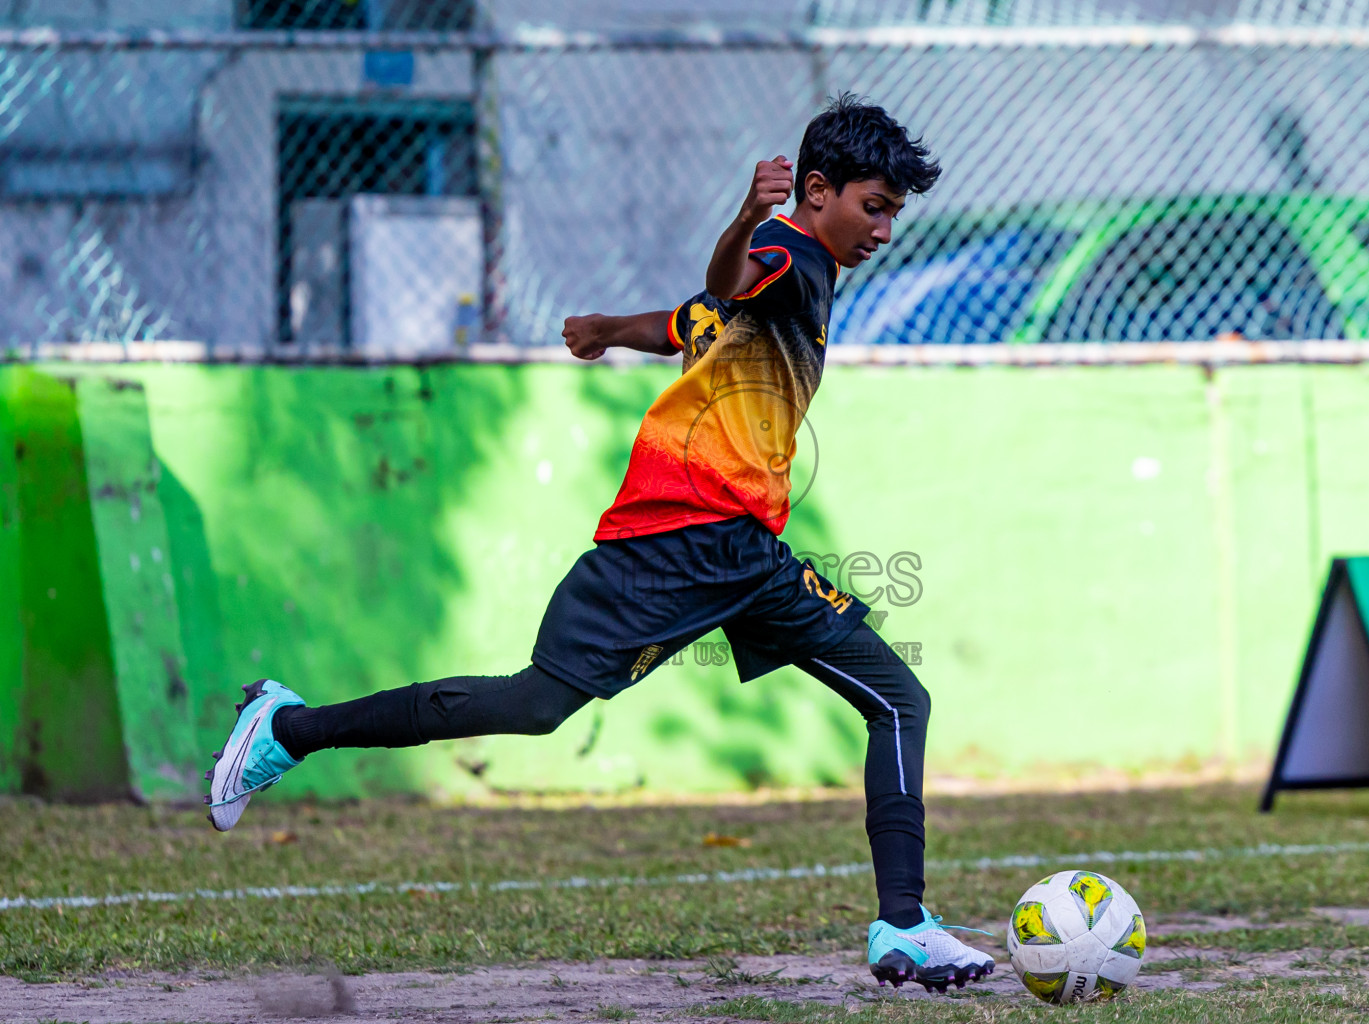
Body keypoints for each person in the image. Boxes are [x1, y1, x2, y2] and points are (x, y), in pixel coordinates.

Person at [205, 95, 993, 993]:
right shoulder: (786, 250)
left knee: (898, 698)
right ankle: (288, 727)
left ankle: (903, 928)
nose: (885, 229)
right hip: (671, 542)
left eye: (895, 212)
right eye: (875, 206)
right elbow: (734, 280)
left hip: (744, 553)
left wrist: (609, 331)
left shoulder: (804, 271)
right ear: (818, 191)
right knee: (537, 705)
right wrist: (745, 216)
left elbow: (698, 321)